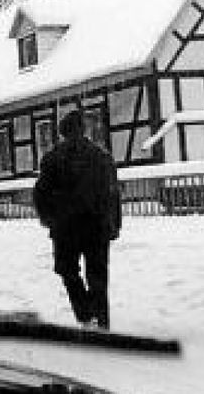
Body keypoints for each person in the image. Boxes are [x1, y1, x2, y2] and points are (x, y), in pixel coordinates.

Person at [33, 109, 121, 329]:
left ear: (63, 132)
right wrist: (114, 223)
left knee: (67, 270)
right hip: (97, 226)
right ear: (84, 131)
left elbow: (40, 194)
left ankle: (84, 313)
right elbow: (112, 193)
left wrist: (49, 219)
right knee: (98, 275)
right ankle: (102, 322)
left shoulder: (52, 159)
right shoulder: (102, 157)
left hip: (66, 229)